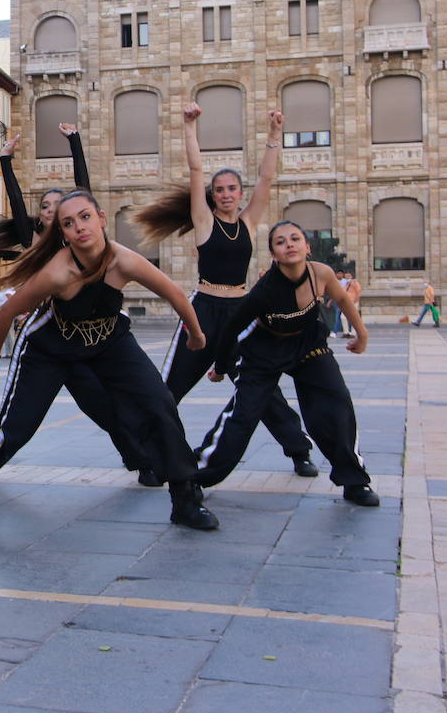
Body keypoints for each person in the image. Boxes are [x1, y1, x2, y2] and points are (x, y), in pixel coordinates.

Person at [0, 190, 218, 529]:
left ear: (101, 219)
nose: (79, 227)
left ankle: (186, 499)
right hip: (50, 350)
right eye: (68, 223)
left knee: (160, 403)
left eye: (85, 217)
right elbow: (7, 311)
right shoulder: (58, 271)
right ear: (63, 234)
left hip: (109, 341)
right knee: (16, 428)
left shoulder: (122, 259)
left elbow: (174, 293)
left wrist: (196, 334)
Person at [136, 103, 319, 479]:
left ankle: (299, 451)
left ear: (239, 192)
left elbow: (266, 180)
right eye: (219, 190)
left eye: (232, 188)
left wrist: (273, 136)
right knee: (169, 390)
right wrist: (189, 127)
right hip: (202, 311)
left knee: (263, 392)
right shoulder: (203, 222)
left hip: (241, 316)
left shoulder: (250, 222)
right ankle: (153, 457)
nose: (225, 194)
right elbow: (196, 169)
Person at [0, 126, 156, 484]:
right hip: (46, 339)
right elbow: (16, 201)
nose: (51, 212)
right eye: (46, 207)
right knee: (16, 420)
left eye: (57, 206)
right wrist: (5, 161)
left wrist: (75, 141)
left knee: (103, 406)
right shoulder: (34, 240)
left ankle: (141, 460)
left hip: (81, 339)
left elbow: (84, 190)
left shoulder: (78, 239)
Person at [194, 221, 380, 507]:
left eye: (295, 238)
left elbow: (342, 298)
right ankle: (196, 477)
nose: (289, 244)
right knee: (243, 417)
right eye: (280, 242)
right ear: (274, 254)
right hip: (263, 352)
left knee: (336, 406)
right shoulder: (264, 290)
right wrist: (220, 368)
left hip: (308, 346)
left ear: (307, 247)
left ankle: (354, 482)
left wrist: (362, 333)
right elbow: (231, 328)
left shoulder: (321, 273)